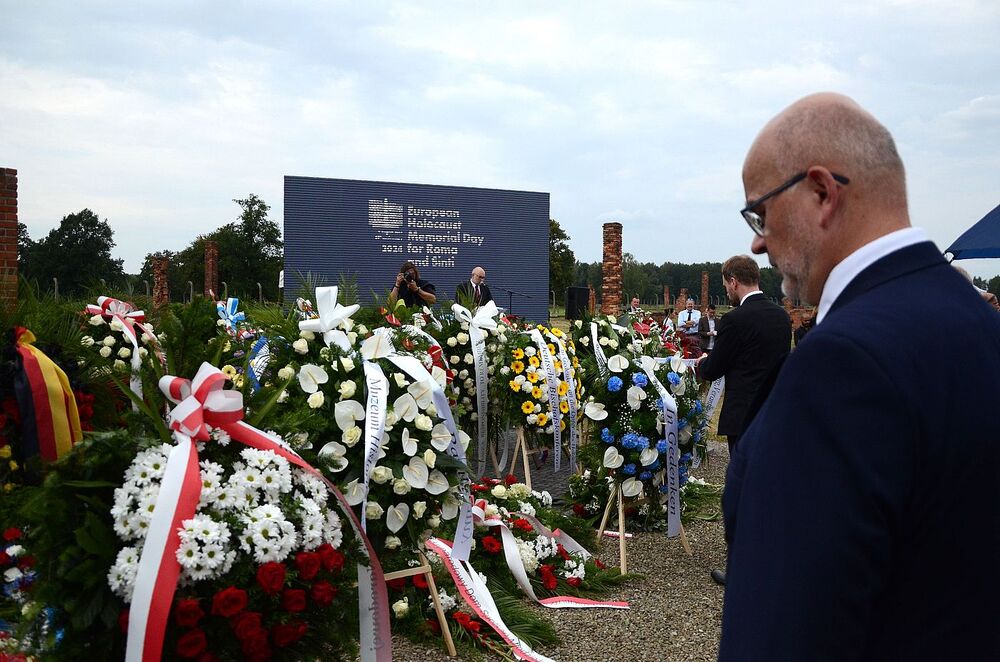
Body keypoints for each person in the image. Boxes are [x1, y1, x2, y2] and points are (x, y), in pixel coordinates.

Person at [719, 93, 1000, 661]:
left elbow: (783, 634)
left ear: (822, 192)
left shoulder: (841, 366)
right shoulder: (979, 325)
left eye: (761, 212)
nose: (757, 239)